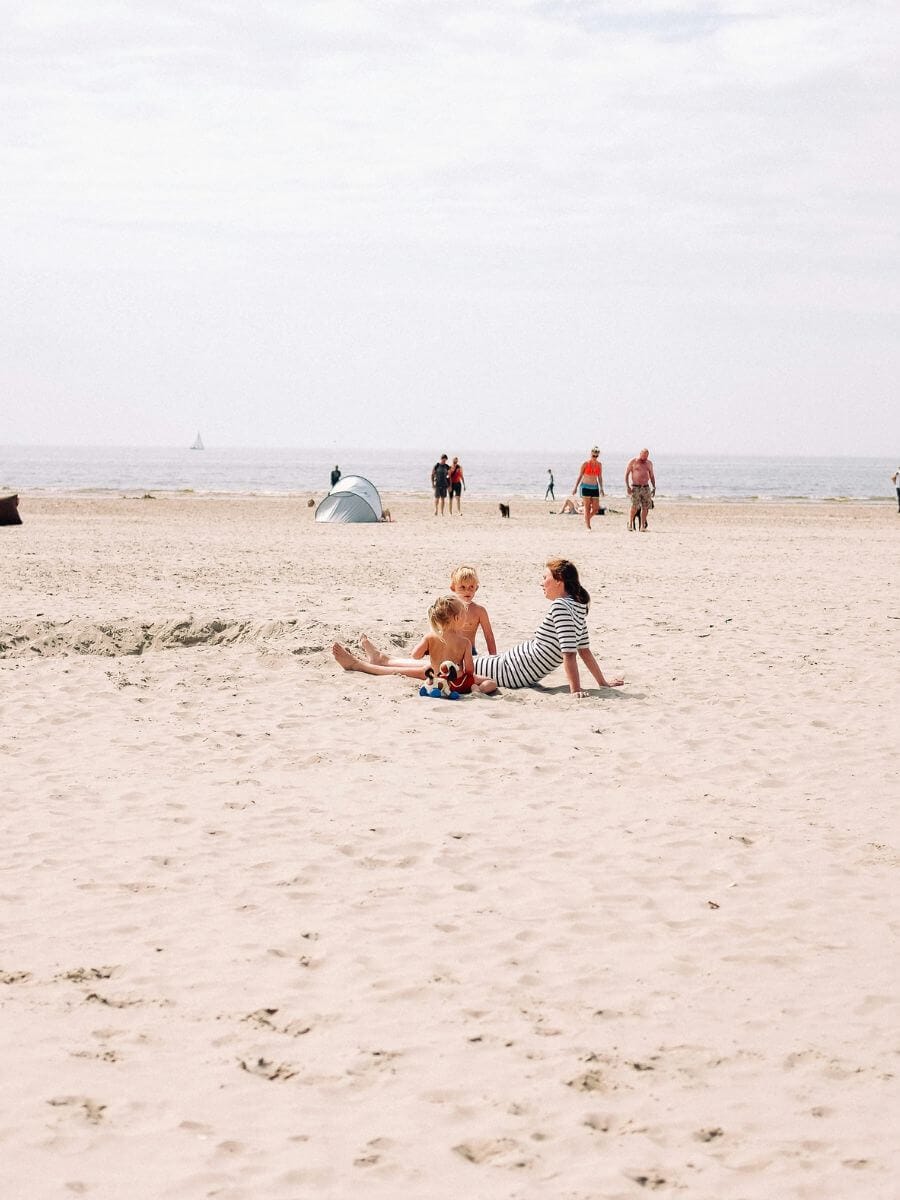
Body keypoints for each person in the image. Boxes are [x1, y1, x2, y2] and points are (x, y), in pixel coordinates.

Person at [472, 558, 624, 696]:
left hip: (508, 672)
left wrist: (576, 689)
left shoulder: (562, 606)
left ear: (559, 580)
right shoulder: (577, 606)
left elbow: (573, 652)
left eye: (545, 578)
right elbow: (582, 650)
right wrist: (601, 683)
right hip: (506, 665)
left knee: (458, 665)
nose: (541, 582)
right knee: (459, 663)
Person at [332, 595, 497, 694]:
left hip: (435, 678)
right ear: (455, 619)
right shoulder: (465, 642)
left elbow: (415, 656)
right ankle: (359, 663)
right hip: (458, 684)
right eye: (463, 616)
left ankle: (367, 662)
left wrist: (429, 651)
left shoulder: (431, 636)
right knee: (490, 682)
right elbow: (469, 670)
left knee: (397, 670)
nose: (465, 619)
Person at [450, 565, 496, 655]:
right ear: (453, 588)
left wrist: (494, 657)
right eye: (462, 587)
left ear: (476, 588)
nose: (467, 591)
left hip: (470, 652)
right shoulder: (448, 608)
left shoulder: (480, 611)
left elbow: (489, 636)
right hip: (449, 650)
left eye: (471, 587)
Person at [572, 447, 605, 530]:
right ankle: (588, 526)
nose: (595, 457)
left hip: (595, 487)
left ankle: (587, 519)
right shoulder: (585, 464)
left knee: (596, 508)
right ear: (591, 454)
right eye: (593, 455)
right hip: (585, 487)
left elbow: (600, 477)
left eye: (596, 456)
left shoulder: (599, 464)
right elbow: (580, 476)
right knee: (587, 507)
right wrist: (575, 487)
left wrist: (601, 488)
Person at [625, 448, 656, 531]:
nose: (645, 458)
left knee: (645, 507)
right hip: (635, 487)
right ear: (640, 454)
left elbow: (652, 476)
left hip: (646, 487)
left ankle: (642, 526)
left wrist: (653, 487)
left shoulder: (649, 463)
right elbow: (627, 474)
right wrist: (628, 486)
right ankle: (630, 523)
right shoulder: (633, 461)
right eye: (643, 455)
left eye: (646, 456)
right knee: (634, 506)